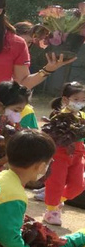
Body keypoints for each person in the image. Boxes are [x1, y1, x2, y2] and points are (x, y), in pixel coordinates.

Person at [40, 82, 85, 226]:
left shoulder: (82, 116)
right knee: (56, 183)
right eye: (76, 99)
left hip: (78, 154)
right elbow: (49, 135)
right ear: (65, 99)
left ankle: (60, 199)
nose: (80, 103)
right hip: (59, 154)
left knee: (79, 185)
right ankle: (52, 211)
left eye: (83, 100)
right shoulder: (57, 116)